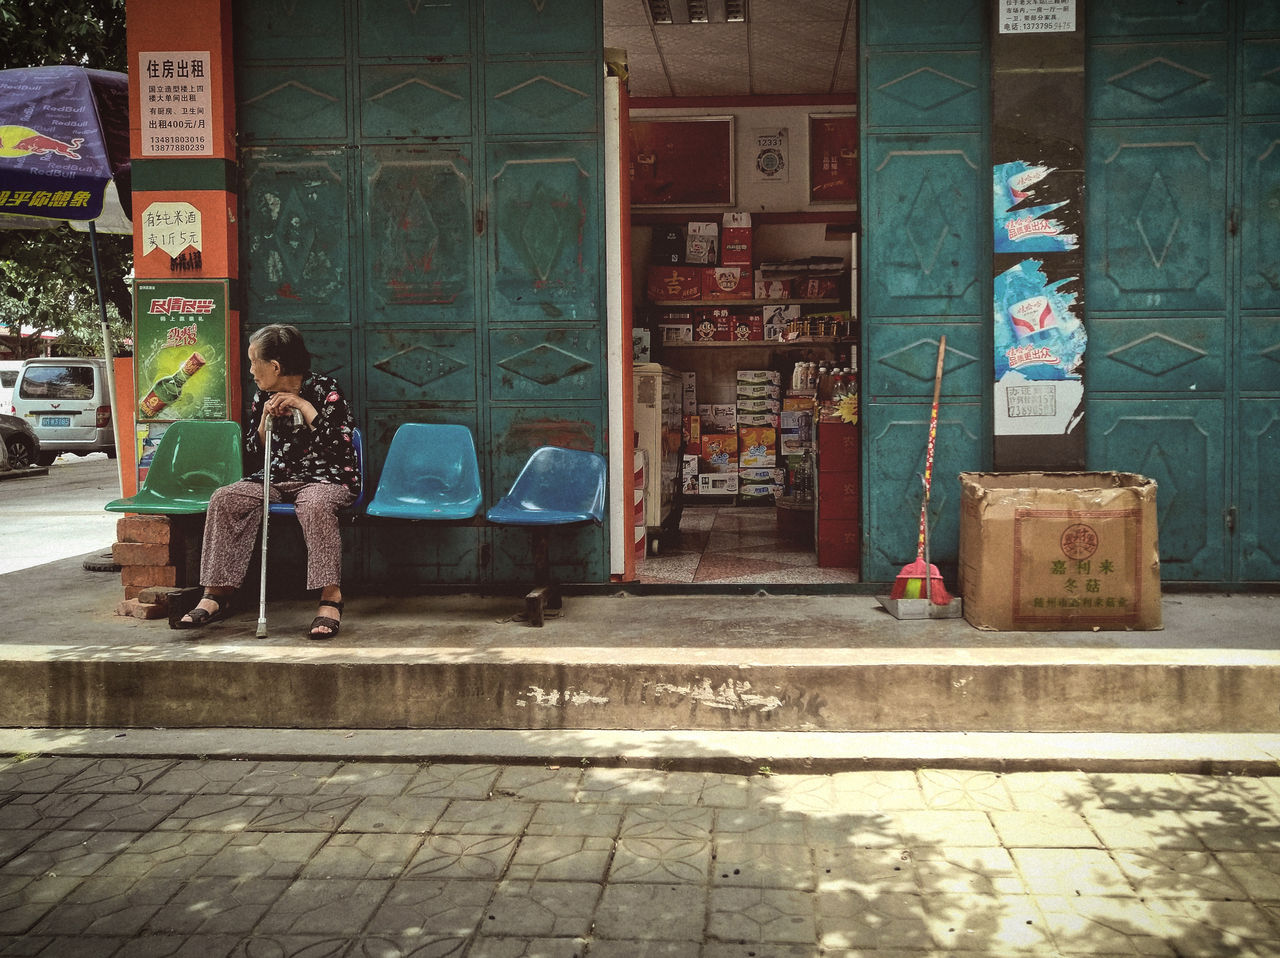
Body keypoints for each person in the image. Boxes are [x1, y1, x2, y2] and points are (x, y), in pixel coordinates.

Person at [177, 324, 361, 639]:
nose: (251, 370)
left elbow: (340, 446)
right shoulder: (263, 394)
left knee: (315, 505)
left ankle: (331, 598)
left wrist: (304, 406)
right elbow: (254, 450)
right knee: (226, 498)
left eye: (254, 362)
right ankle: (216, 592)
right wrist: (264, 418)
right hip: (275, 476)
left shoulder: (325, 390)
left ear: (275, 366)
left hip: (326, 478)